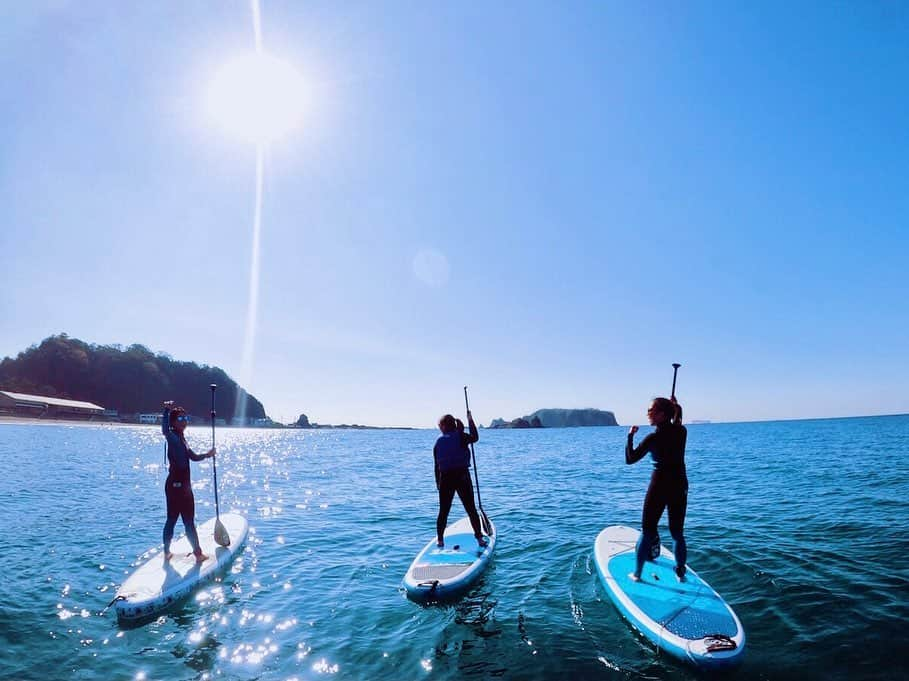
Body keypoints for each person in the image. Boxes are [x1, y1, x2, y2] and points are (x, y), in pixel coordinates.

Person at [625, 396, 688, 582]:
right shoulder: (681, 432)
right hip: (679, 484)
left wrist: (630, 436)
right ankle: (681, 574)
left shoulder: (653, 438)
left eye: (651, 410)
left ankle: (637, 574)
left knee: (648, 530)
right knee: (677, 533)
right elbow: (677, 420)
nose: (648, 414)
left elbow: (630, 459)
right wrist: (674, 406)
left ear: (661, 414)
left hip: (659, 485)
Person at [161, 401, 215, 562]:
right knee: (184, 521)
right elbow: (164, 429)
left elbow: (192, 457)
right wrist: (166, 410)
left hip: (178, 486)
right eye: (180, 418)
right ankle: (197, 555)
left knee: (177, 520)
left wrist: (207, 454)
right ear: (173, 422)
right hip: (178, 487)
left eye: (186, 418)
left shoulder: (182, 439)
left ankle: (167, 552)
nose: (184, 421)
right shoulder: (171, 436)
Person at [433, 410, 488, 549]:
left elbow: (436, 467)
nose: (439, 427)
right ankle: (480, 539)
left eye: (440, 425)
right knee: (471, 509)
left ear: (444, 426)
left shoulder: (438, 442)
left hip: (445, 479)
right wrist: (470, 420)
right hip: (461, 476)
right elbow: (475, 437)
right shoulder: (461, 436)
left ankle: (440, 540)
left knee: (443, 511)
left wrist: (438, 484)